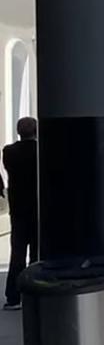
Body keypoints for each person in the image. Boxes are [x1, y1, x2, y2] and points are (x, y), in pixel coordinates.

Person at [3, 117, 38, 310]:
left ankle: (13, 296)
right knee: (36, 254)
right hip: (38, 210)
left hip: (18, 210)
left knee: (17, 254)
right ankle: (34, 292)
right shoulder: (41, 152)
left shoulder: (8, 152)